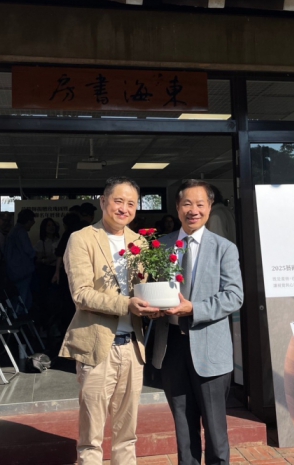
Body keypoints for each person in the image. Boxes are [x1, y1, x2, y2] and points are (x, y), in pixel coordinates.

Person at [59, 177, 159, 465]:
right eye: (118, 201)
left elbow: (142, 289)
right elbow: (81, 294)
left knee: (127, 432)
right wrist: (126, 304)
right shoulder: (82, 239)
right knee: (91, 436)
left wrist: (153, 305)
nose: (124, 208)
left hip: (133, 348)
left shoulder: (140, 242)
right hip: (98, 347)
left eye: (131, 203)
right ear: (103, 202)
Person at [151, 179, 244, 465]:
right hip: (172, 347)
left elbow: (234, 296)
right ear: (177, 207)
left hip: (209, 347)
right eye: (187, 204)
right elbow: (152, 287)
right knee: (183, 425)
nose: (193, 210)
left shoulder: (224, 248)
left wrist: (195, 309)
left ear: (209, 207)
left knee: (215, 428)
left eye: (200, 204)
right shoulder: (161, 245)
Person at [3, 208, 37, 313]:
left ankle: (19, 315)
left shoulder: (13, 231)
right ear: (28, 221)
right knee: (23, 297)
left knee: (18, 296)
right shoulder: (21, 232)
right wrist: (37, 255)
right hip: (22, 270)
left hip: (13, 270)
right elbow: (28, 250)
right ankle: (20, 318)